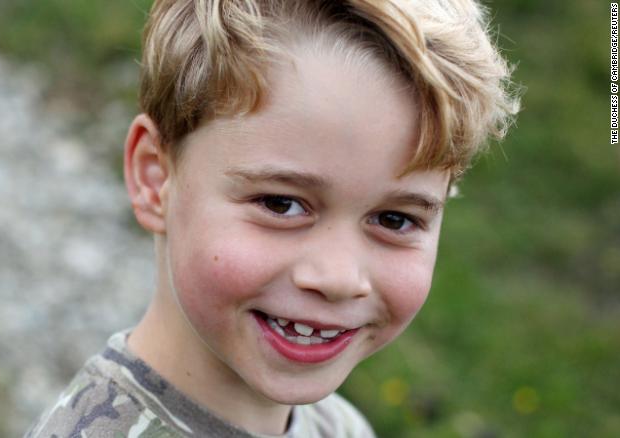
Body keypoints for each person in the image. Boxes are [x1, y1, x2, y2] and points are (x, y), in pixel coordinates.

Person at [26, 0, 519, 436]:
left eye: (394, 219)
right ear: (156, 179)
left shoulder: (338, 425)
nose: (339, 279)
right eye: (281, 204)